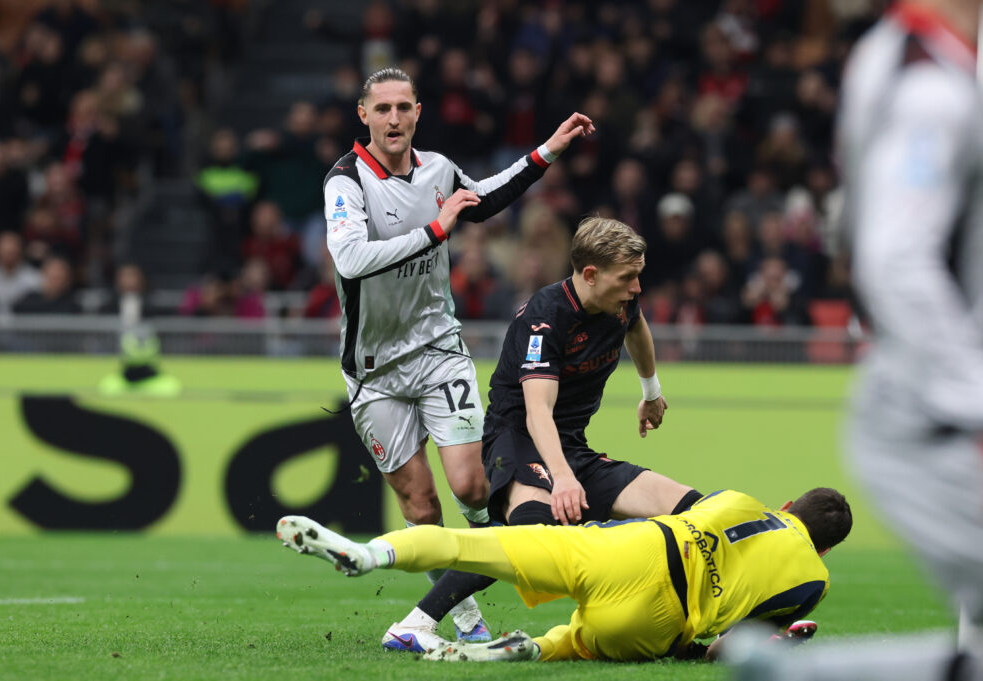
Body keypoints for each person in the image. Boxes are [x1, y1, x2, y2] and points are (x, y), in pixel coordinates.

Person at [728, 2, 983, 680]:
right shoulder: (931, 89)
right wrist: (971, 403)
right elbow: (896, 260)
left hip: (916, 397)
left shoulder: (889, 55)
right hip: (939, 408)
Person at [323, 65, 595, 644]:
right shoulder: (345, 183)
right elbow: (349, 260)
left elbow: (484, 197)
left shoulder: (439, 170)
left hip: (440, 350)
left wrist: (546, 150)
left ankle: (468, 581)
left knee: (472, 486)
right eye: (383, 109)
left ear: (418, 112)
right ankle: (466, 619)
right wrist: (435, 232)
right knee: (421, 505)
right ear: (364, 116)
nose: (393, 118)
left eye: (404, 107)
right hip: (374, 371)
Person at [383, 217, 701, 653]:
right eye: (628, 277)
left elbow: (637, 328)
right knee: (532, 532)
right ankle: (414, 624)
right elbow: (537, 412)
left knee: (692, 508)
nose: (637, 288)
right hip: (516, 439)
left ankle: (721, 621)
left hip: (569, 444)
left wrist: (651, 392)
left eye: (639, 275)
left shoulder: (619, 303)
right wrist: (563, 478)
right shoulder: (545, 317)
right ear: (590, 275)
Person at [277, 486, 852, 662]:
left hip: (635, 549)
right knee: (575, 643)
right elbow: (725, 647)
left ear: (790, 503)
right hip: (656, 621)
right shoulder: (812, 582)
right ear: (824, 549)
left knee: (472, 545)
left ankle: (369, 554)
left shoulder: (741, 499)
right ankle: (520, 652)